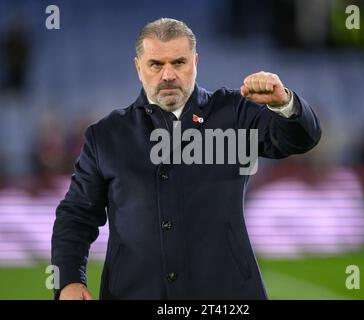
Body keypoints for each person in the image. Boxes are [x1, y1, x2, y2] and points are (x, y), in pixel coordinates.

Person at [51, 18, 321, 300]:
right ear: (138, 68)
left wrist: (285, 104)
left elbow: (301, 138)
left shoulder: (234, 114)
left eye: (178, 62)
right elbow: (77, 215)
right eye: (156, 64)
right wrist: (69, 279)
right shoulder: (105, 136)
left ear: (195, 62)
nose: (168, 74)